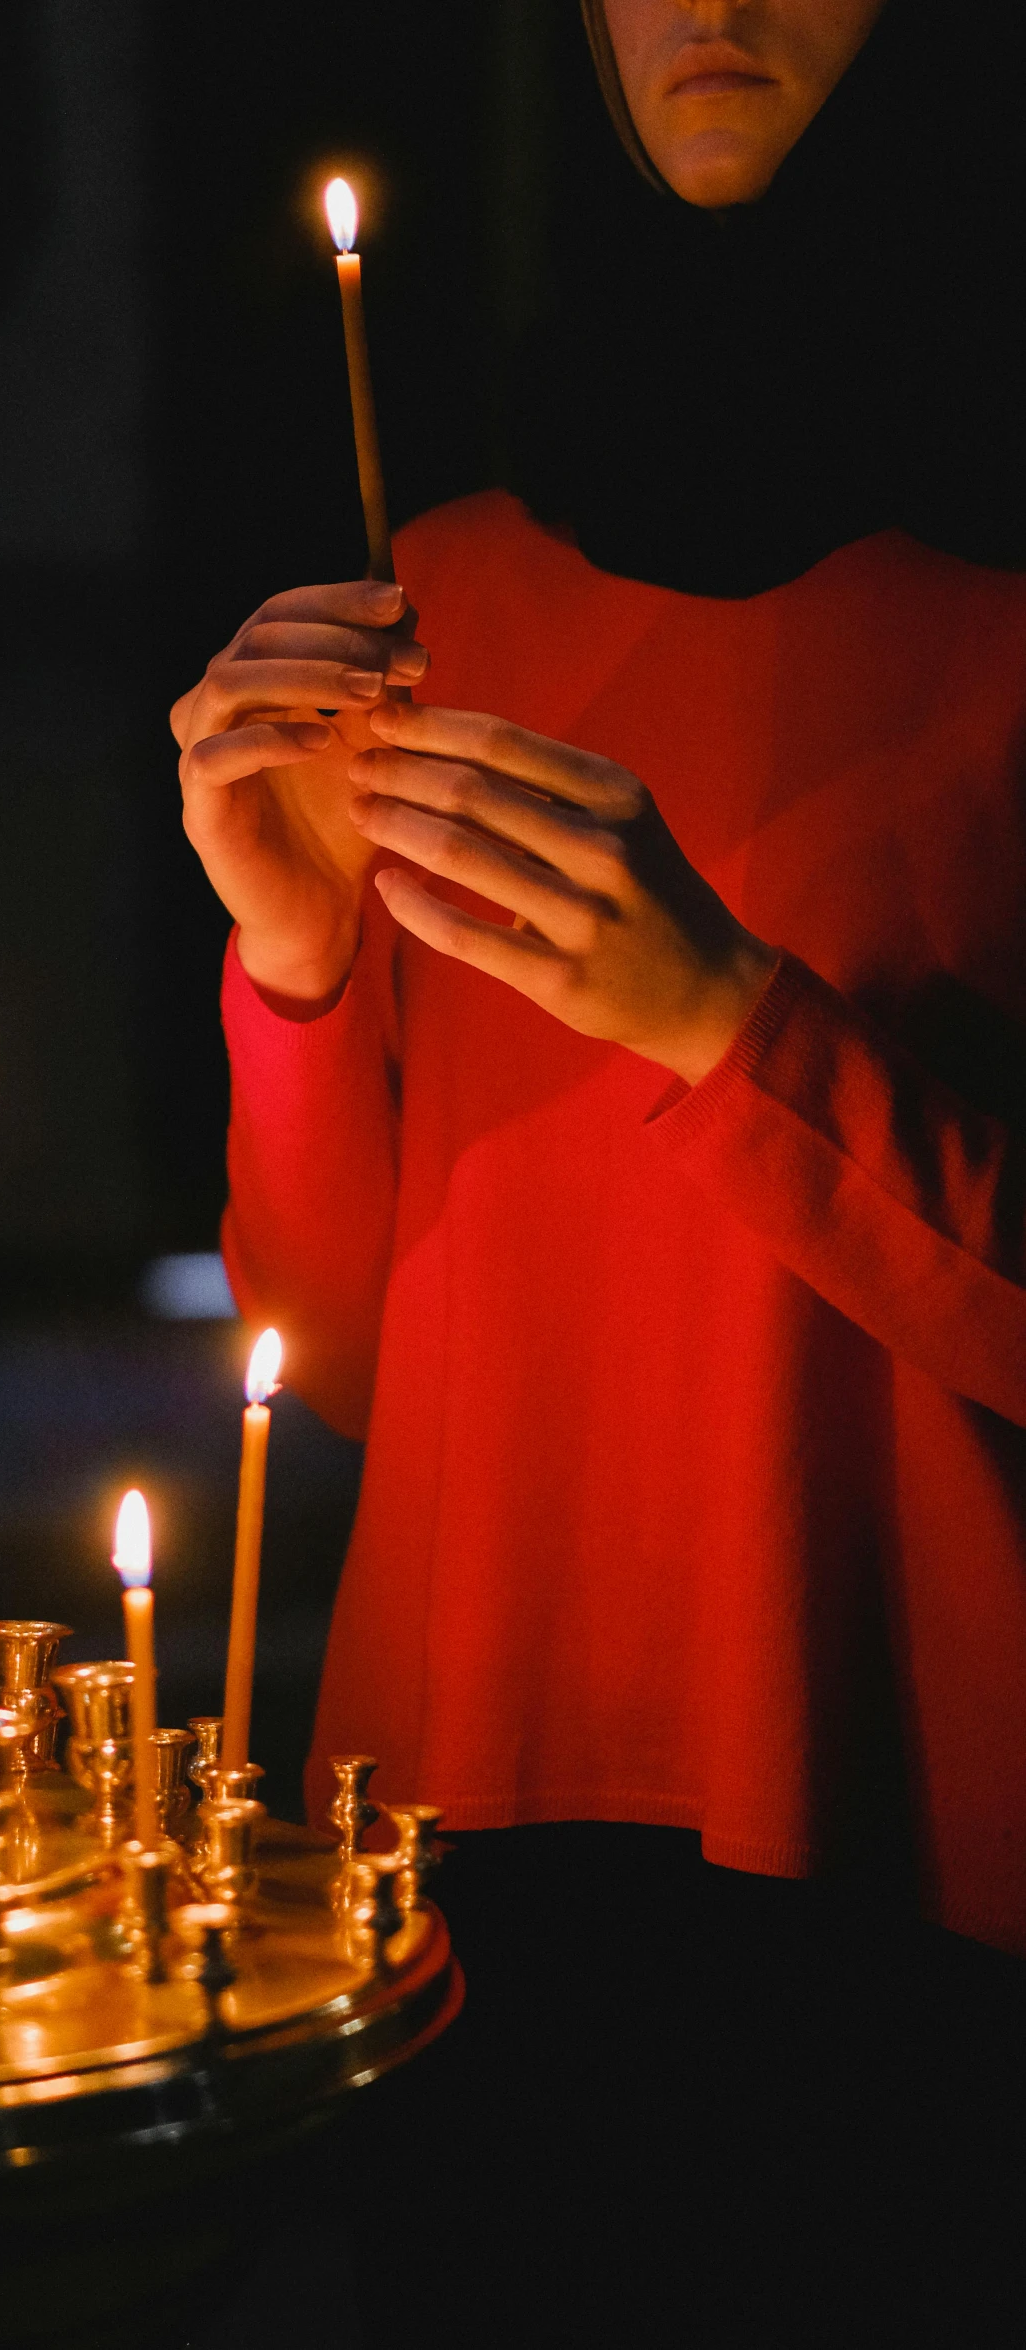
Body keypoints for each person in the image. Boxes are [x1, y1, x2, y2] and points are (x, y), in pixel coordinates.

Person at [174, 1, 1026, 2339]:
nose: (713, 9)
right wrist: (292, 949)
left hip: (906, 1831)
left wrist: (727, 1026)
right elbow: (344, 1344)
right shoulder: (443, 587)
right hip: (476, 1824)